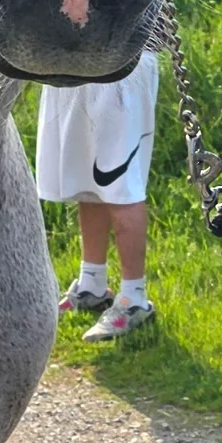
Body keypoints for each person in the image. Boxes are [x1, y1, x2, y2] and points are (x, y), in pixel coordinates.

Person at [35, 52, 159, 341]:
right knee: (86, 177)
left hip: (121, 58)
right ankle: (92, 283)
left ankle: (134, 299)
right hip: (70, 61)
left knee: (121, 184)